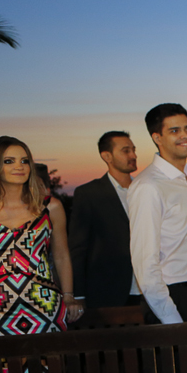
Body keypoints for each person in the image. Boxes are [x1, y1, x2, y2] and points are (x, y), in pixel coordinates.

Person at [128, 103, 187, 324]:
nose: (185, 136)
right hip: (173, 296)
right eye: (175, 130)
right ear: (157, 137)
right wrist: (171, 318)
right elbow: (145, 262)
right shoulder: (149, 186)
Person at [0, 136, 78, 334]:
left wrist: (68, 296)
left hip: (45, 306)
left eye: (24, 161)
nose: (19, 166)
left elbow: (61, 255)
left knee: (49, 355)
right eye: (9, 161)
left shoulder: (50, 207)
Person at [68, 131, 141, 311]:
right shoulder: (89, 194)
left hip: (149, 290)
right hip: (107, 291)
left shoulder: (146, 190)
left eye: (133, 150)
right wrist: (78, 295)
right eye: (126, 151)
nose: (133, 155)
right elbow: (78, 248)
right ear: (106, 156)